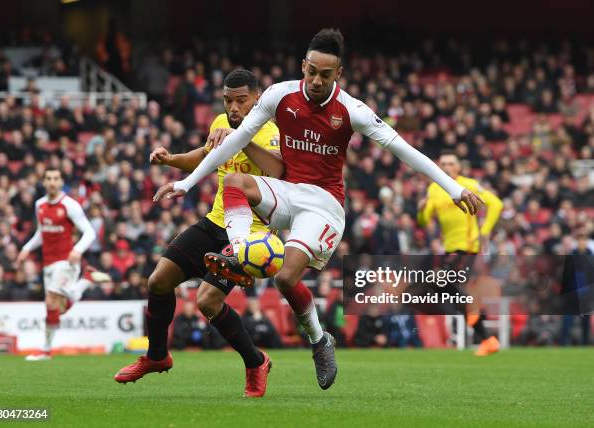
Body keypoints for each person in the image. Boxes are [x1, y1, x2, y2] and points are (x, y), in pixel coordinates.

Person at [154, 28, 484, 390]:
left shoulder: (353, 110)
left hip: (324, 205)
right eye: (311, 71)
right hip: (288, 191)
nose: (315, 80)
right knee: (234, 182)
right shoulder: (280, 95)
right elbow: (235, 141)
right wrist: (186, 183)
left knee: (285, 278)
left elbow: (404, 150)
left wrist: (453, 187)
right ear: (303, 66)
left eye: (325, 75)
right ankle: (240, 249)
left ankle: (319, 340)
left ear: (337, 74)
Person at [114, 70, 283, 398]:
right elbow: (207, 156)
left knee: (207, 300)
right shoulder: (220, 122)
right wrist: (171, 160)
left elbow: (278, 170)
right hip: (215, 221)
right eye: (228, 100)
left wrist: (241, 137)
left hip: (251, 234)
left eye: (241, 100)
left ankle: (255, 362)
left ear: (257, 99)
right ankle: (157, 356)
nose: (233, 107)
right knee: (158, 281)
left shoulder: (270, 131)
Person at [16, 168, 109, 360]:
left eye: (55, 178)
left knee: (51, 300)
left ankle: (45, 351)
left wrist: (78, 250)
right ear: (43, 181)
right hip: (48, 262)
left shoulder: (70, 205)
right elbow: (42, 233)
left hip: (66, 261)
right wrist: (26, 248)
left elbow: (89, 232)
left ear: (61, 182)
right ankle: (86, 280)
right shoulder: (39, 204)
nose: (52, 182)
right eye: (48, 178)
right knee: (57, 308)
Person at [417, 150, 504, 356]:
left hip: (466, 247)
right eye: (443, 163)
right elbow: (424, 221)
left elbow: (496, 204)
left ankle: (485, 336)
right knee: (451, 293)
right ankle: (486, 337)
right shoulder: (434, 189)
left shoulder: (470, 185)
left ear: (458, 167)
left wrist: (483, 232)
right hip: (450, 250)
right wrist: (421, 210)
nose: (446, 167)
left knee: (440, 285)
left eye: (450, 163)